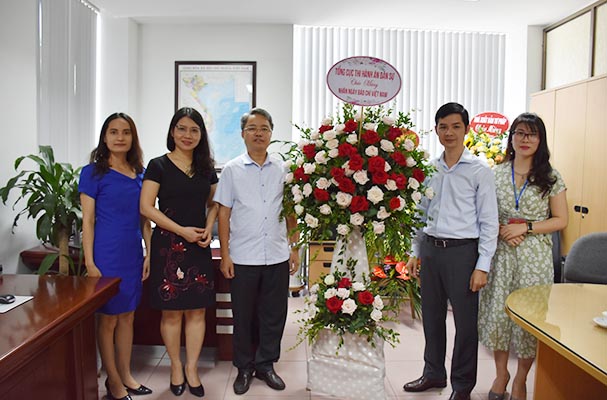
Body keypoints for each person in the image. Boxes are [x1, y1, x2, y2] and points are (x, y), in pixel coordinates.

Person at [403, 102, 499, 400]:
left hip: (463, 253)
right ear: (436, 130)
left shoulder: (480, 171)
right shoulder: (430, 169)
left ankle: (462, 386)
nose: (449, 132)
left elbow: (489, 222)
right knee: (431, 318)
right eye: (443, 127)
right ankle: (433, 373)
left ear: (466, 129)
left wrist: (482, 266)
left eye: (456, 126)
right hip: (431, 251)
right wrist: (414, 251)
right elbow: (420, 214)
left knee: (465, 325)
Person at [479, 113, 567, 400]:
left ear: (540, 140)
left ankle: (521, 379)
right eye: (520, 132)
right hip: (501, 254)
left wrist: (525, 227)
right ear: (512, 137)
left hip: (534, 258)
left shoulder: (551, 177)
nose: (525, 139)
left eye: (532, 134)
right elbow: (483, 213)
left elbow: (560, 219)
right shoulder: (495, 173)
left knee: (530, 319)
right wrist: (503, 229)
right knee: (499, 316)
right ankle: (501, 375)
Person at [214, 107, 300, 395]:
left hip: (276, 254)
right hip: (243, 256)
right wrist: (225, 255)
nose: (258, 133)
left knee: (273, 315)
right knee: (243, 316)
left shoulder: (283, 169)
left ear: (271, 133)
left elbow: (290, 211)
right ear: (243, 134)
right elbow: (223, 213)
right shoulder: (231, 170)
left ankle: (266, 365)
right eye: (252, 128)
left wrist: (295, 248)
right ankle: (244, 367)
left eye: (264, 128)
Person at [140, 107, 218, 398]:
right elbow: (146, 207)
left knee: (197, 311)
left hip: (198, 245)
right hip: (168, 247)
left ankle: (192, 369)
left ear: (201, 135)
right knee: (172, 314)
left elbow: (215, 203)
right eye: (182, 128)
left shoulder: (206, 168)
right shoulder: (158, 165)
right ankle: (175, 366)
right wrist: (181, 230)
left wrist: (208, 227)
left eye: (194, 130)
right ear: (173, 132)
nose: (188, 135)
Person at [79, 112, 153, 400]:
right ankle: (113, 382)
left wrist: (148, 253)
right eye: (113, 132)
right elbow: (87, 221)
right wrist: (89, 262)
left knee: (128, 317)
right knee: (108, 319)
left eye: (126, 132)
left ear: (133, 137)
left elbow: (145, 218)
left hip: (132, 253)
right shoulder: (93, 173)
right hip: (106, 255)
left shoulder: (140, 173)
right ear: (104, 137)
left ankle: (126, 375)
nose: (120, 137)